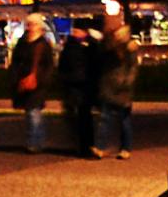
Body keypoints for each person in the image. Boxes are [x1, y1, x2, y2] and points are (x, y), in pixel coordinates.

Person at [90, 5, 139, 158]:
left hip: (121, 87)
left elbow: (132, 67)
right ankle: (101, 147)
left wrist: (127, 83)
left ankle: (126, 148)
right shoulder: (107, 42)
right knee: (106, 118)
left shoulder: (127, 46)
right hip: (109, 85)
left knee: (123, 120)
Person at [7, 15, 57, 151]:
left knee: (33, 112)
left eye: (34, 24)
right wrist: (17, 78)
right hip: (25, 81)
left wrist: (42, 79)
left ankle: (35, 142)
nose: (31, 27)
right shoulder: (23, 43)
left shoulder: (43, 45)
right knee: (31, 112)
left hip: (38, 82)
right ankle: (36, 140)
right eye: (29, 24)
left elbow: (48, 65)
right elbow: (16, 62)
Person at [58, 12, 101, 156]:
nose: (76, 33)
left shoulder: (87, 46)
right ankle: (82, 146)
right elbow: (63, 66)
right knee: (79, 119)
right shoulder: (72, 47)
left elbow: (96, 62)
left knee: (85, 118)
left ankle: (86, 146)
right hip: (76, 86)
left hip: (84, 87)